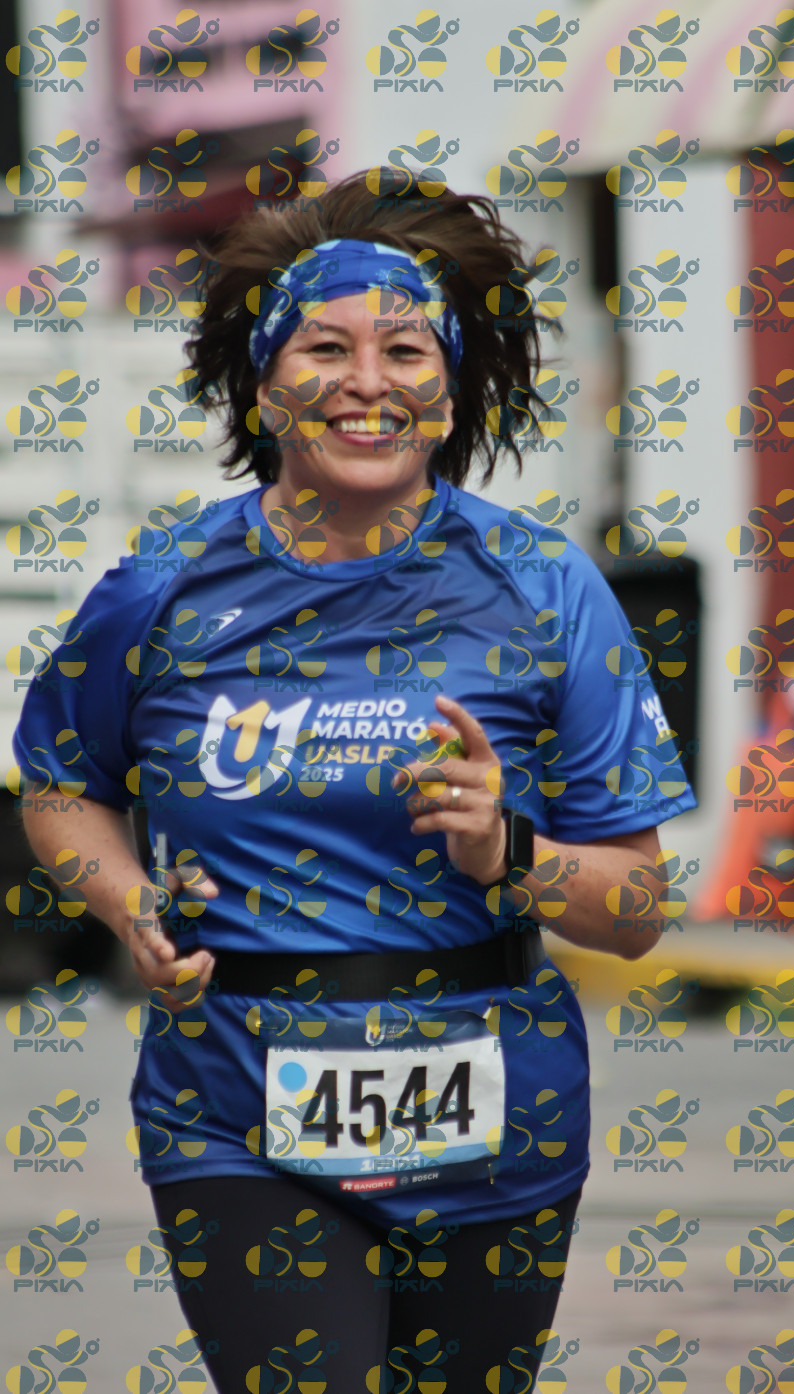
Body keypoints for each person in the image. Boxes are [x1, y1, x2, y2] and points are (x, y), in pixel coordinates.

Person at [14, 170, 695, 1392]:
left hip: (499, 1119)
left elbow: (637, 914)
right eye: (324, 348)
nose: (366, 382)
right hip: (234, 1109)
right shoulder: (161, 586)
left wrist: (508, 850)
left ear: (451, 384)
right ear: (262, 381)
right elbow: (62, 786)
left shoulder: (544, 588)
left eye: (404, 350)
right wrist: (126, 902)